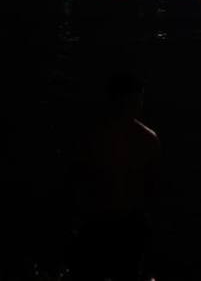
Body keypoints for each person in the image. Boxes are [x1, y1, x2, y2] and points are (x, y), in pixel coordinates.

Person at [72, 71, 160, 281]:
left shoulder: (92, 135)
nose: (137, 103)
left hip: (109, 220)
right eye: (135, 98)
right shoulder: (146, 139)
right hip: (115, 221)